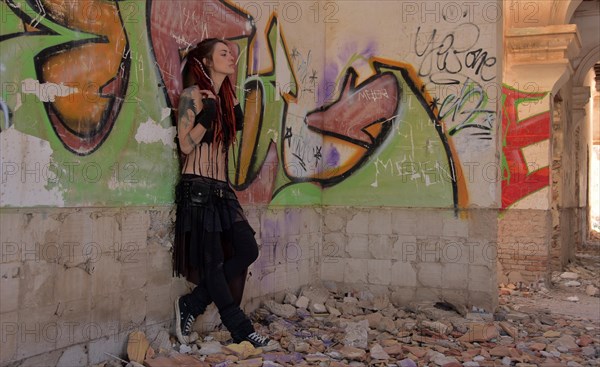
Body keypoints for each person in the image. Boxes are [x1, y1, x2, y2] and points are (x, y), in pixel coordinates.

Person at [172, 38, 273, 349]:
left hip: (222, 190)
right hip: (197, 189)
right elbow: (186, 146)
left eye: (233, 53)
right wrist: (207, 114)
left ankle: (192, 302)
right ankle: (241, 329)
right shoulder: (192, 96)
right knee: (213, 263)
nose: (232, 57)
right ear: (205, 61)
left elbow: (235, 128)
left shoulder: (227, 100)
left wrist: (225, 104)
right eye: (224, 53)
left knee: (247, 250)